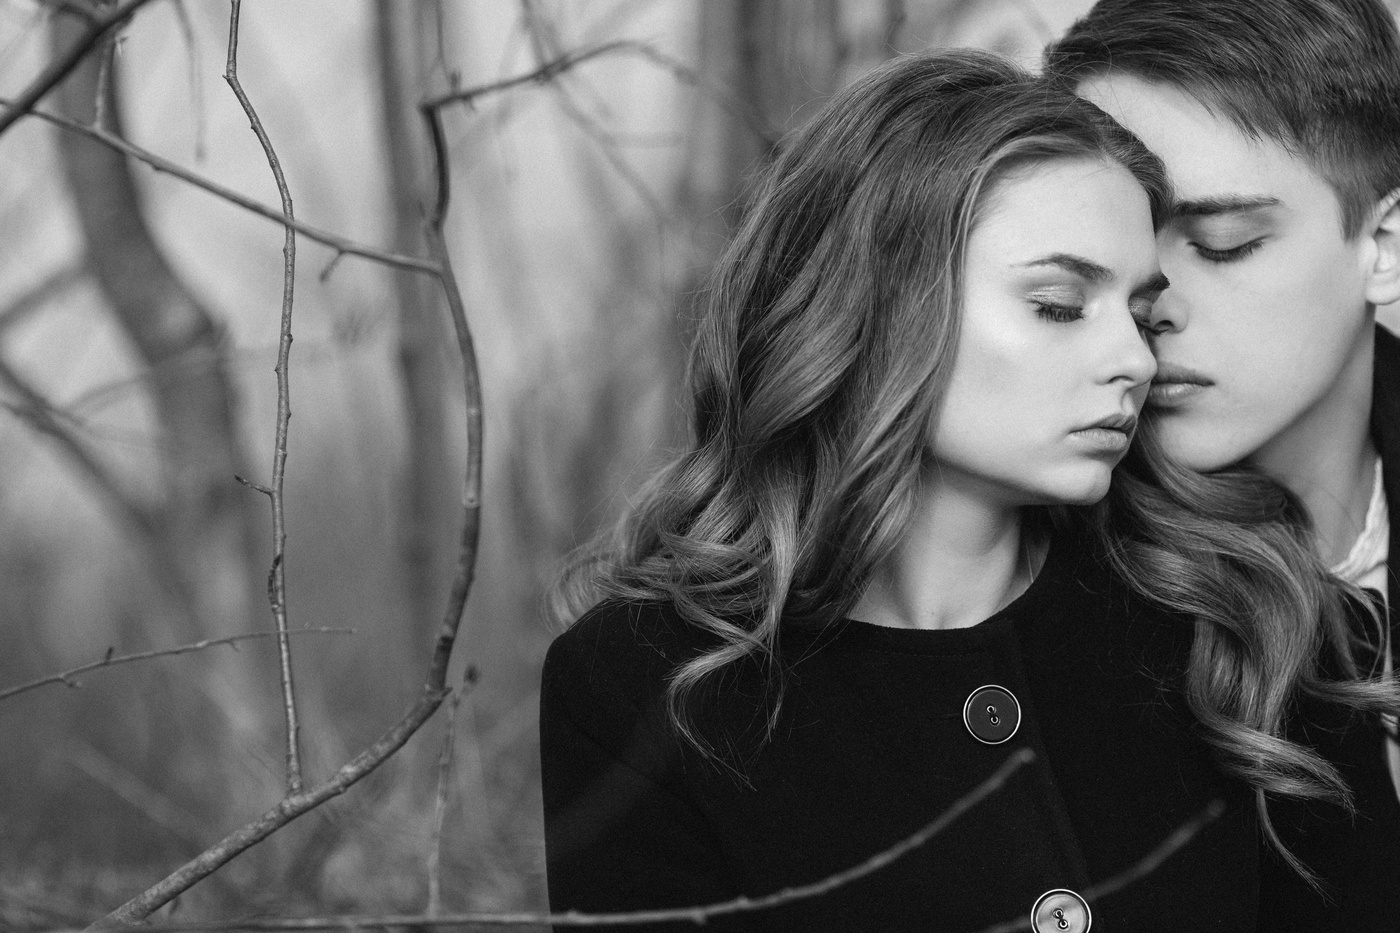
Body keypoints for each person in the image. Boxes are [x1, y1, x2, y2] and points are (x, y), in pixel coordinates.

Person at [540, 49, 1400, 933]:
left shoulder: (1254, 617)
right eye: (1060, 304)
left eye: (1141, 317)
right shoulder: (645, 683)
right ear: (881, 301)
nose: (1137, 360)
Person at [1045, 3, 1400, 925]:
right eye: (1102, 252)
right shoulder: (1017, 566)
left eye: (1222, 244)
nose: (1149, 305)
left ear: (1385, 247)